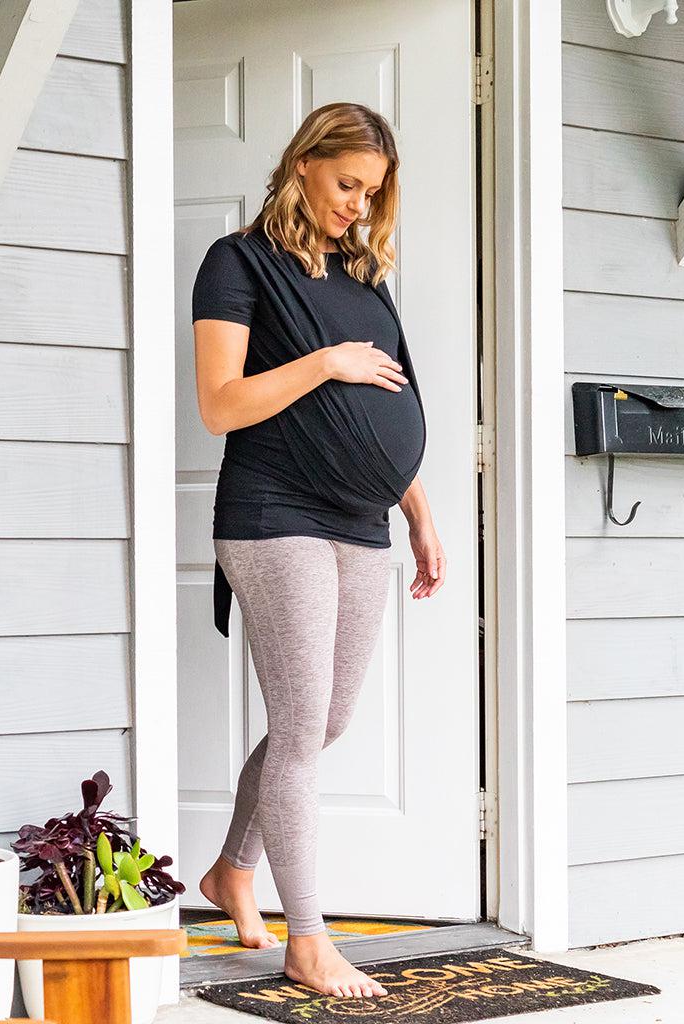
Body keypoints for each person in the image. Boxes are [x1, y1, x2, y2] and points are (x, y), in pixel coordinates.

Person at [190, 102, 447, 999]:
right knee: (301, 730)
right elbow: (220, 404)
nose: (356, 206)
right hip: (272, 511)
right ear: (303, 162)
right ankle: (308, 939)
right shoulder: (237, 262)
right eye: (346, 185)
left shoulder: (363, 277)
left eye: (371, 193)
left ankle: (231, 870)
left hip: (362, 520)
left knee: (325, 723)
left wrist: (415, 508)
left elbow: (387, 405)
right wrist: (323, 363)